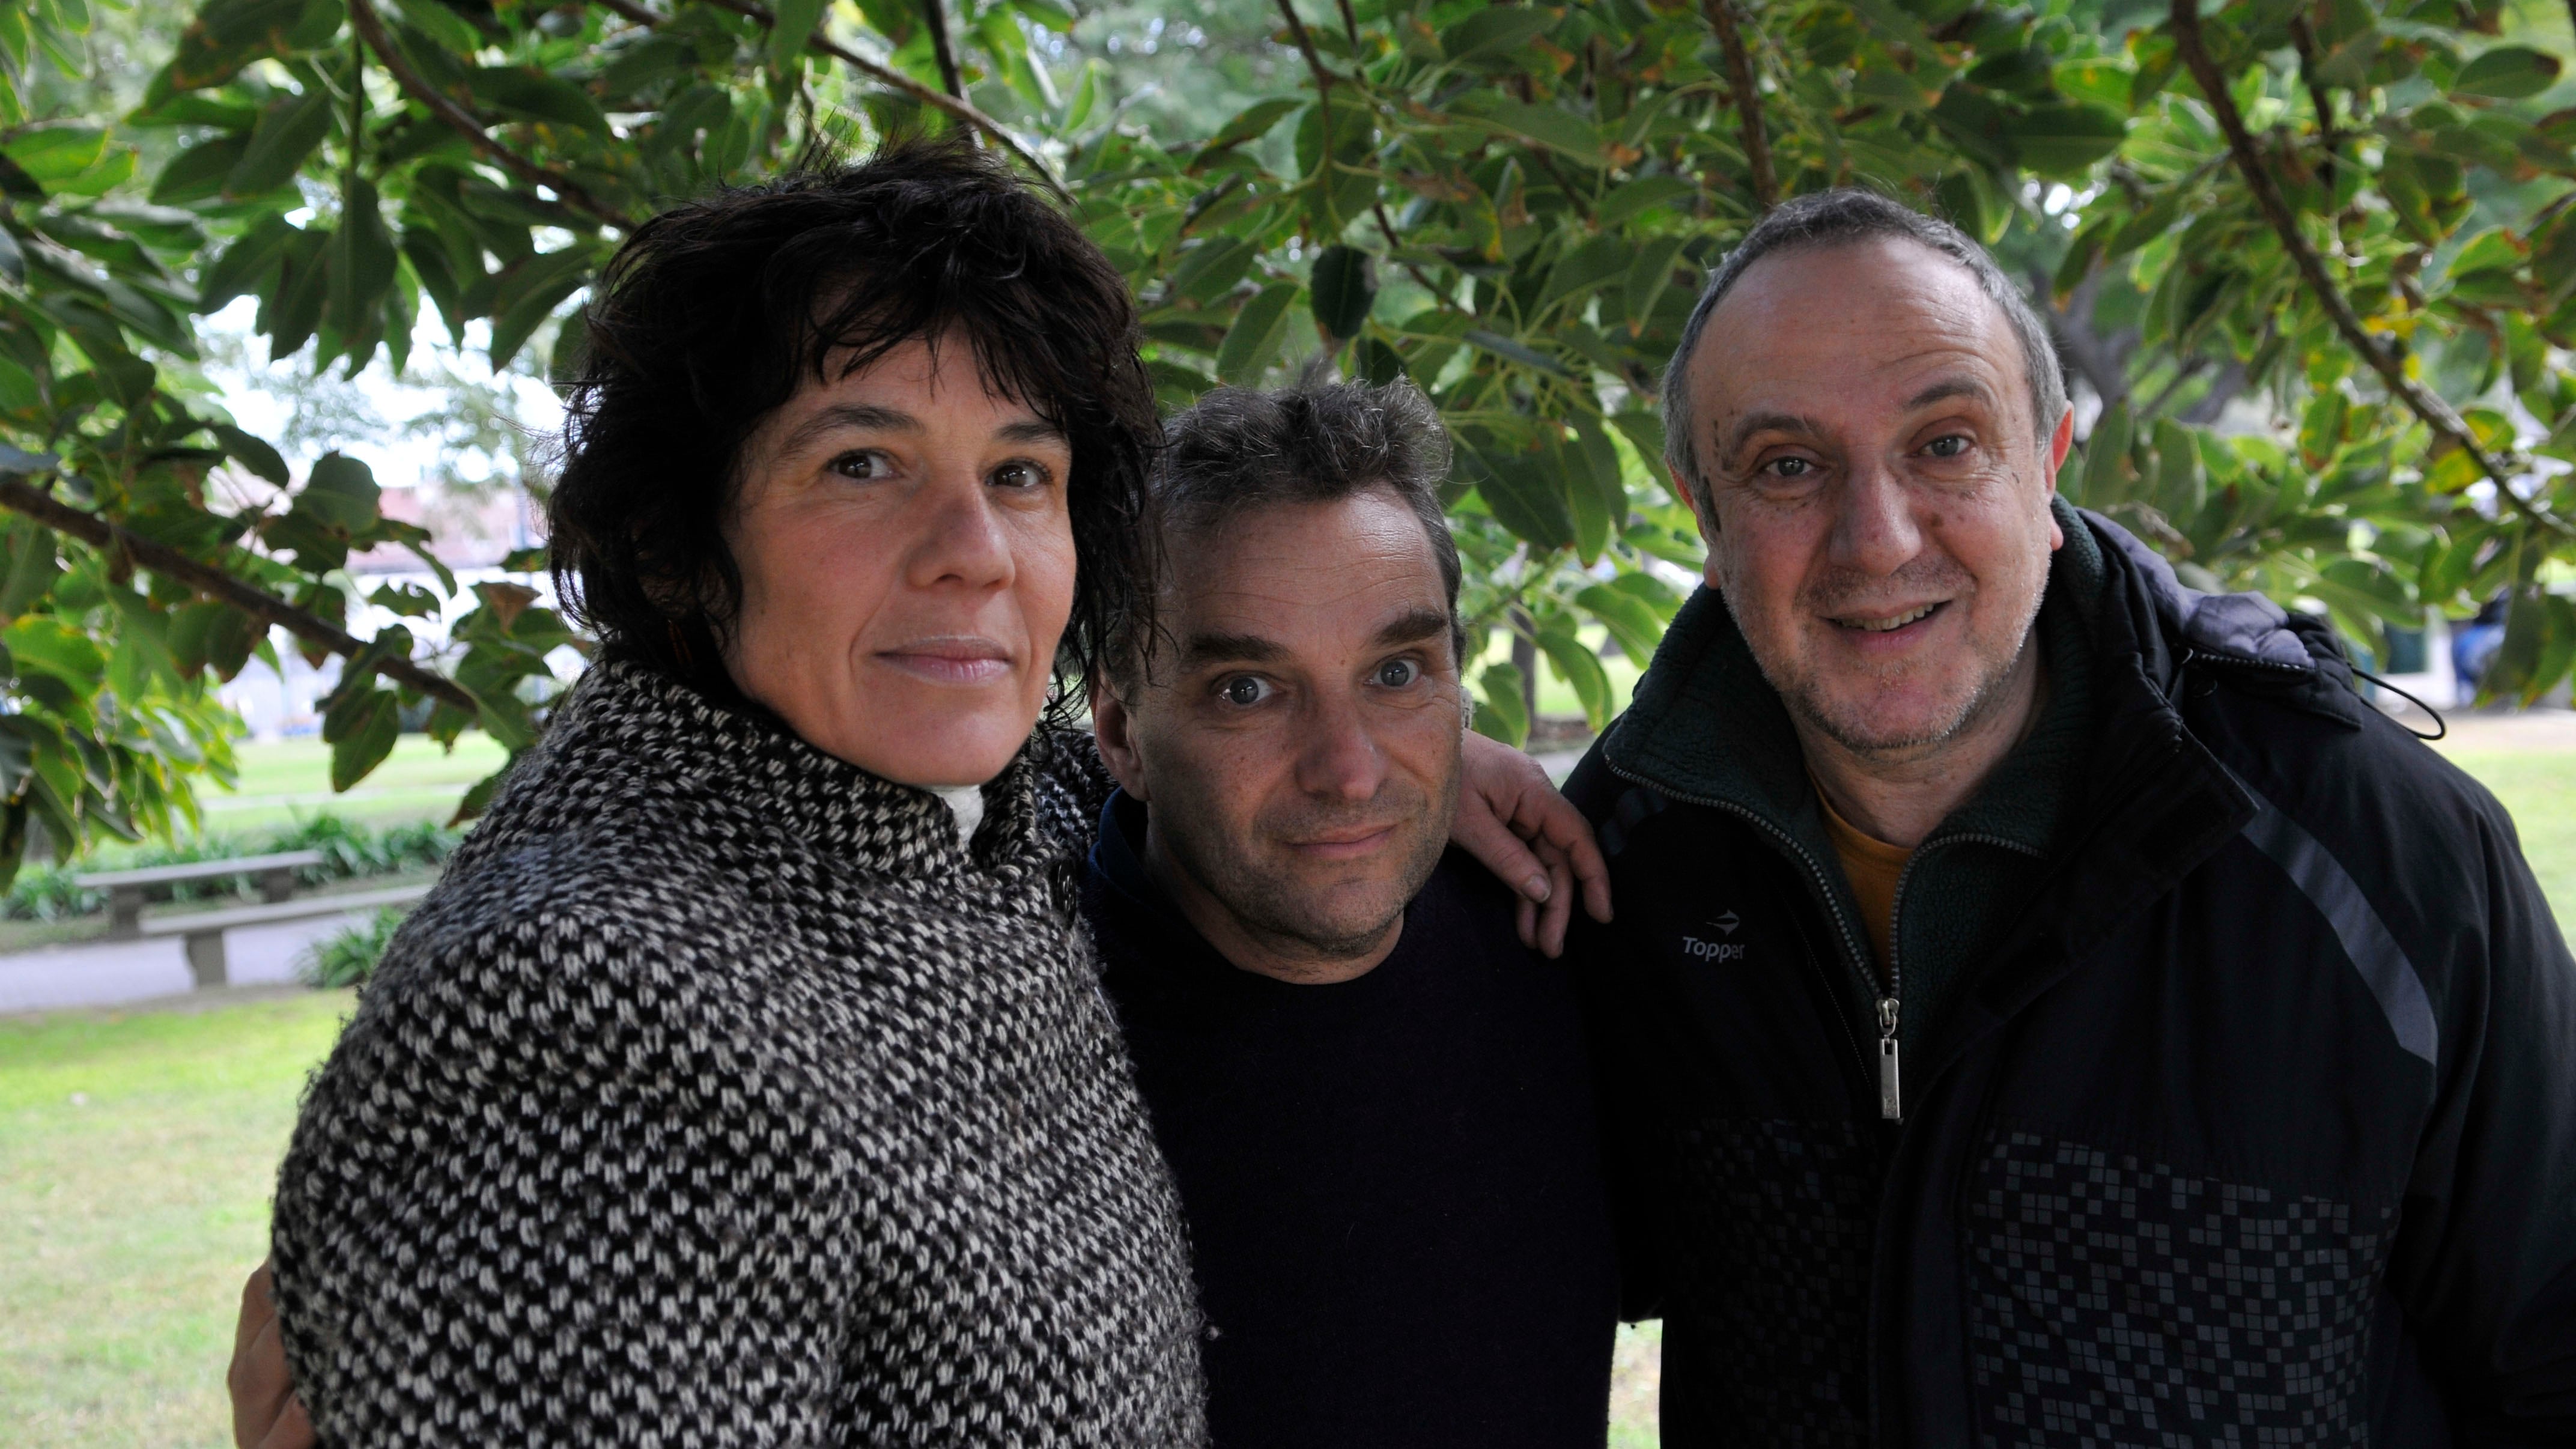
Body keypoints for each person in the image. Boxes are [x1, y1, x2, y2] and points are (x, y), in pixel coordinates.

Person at [226, 140, 1606, 1448]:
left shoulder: (939, 814)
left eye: (1019, 472)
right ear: (673, 546)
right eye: (860, 465)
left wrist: (1416, 754)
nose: (973, 552)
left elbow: (1179, 762)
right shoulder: (587, 1004)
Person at [1564, 187, 2576, 1444]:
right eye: (1784, 467)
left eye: (1943, 443)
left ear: (2044, 466)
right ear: (1701, 516)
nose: (1875, 543)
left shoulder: (2372, 848)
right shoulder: (1613, 865)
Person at [1086, 380, 1618, 1447]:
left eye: (1394, 672)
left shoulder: (1561, 944)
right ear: (1119, 733)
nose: (1349, 772)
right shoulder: (997, 1029)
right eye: (1249, 689)